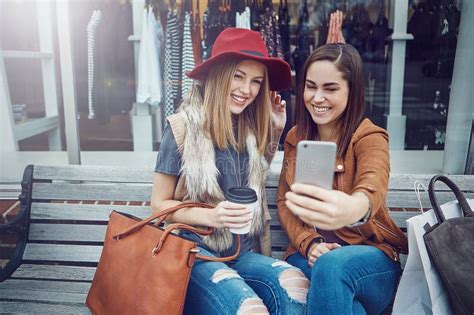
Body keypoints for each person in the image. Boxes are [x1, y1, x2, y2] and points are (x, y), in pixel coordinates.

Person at [151, 28, 309, 315]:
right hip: (195, 254)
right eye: (238, 76)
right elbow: (159, 205)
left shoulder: (250, 126)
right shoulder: (181, 127)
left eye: (256, 81)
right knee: (250, 310)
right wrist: (212, 216)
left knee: (297, 287)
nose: (246, 90)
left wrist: (275, 128)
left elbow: (255, 176)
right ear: (218, 73)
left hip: (242, 252)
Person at [277, 42, 409, 314]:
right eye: (311, 86)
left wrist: (352, 209)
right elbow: (285, 203)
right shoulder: (296, 138)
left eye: (331, 88)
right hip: (310, 256)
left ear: (352, 90)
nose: (317, 97)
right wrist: (310, 243)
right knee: (345, 303)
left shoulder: (369, 137)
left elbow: (372, 187)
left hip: (371, 260)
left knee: (333, 266)